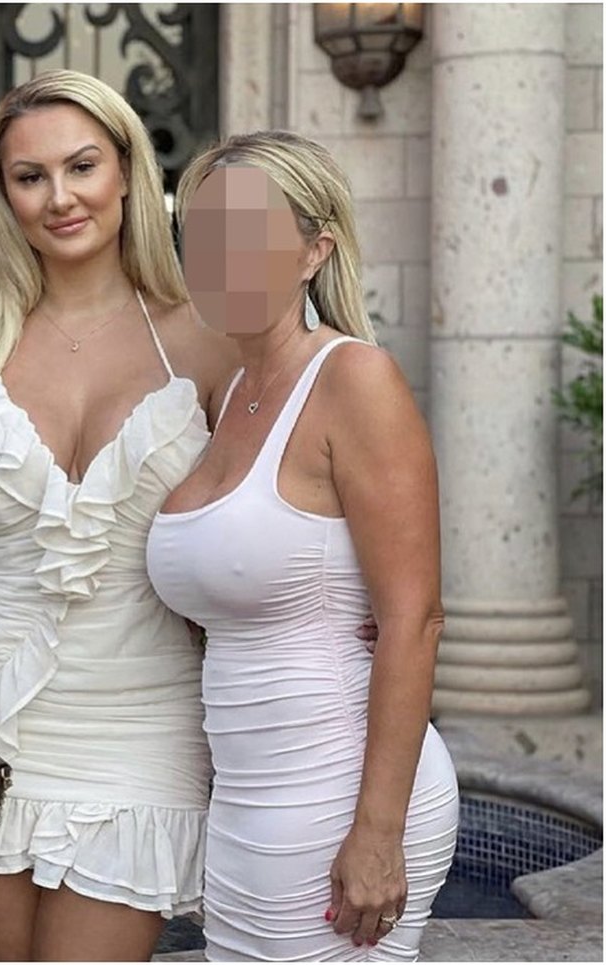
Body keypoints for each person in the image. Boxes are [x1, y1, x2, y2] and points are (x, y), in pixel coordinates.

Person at [0, 70, 239, 961]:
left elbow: (262, 513)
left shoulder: (211, 339)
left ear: (127, 172)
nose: (61, 197)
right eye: (30, 176)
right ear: (4, 196)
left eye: (82, 166)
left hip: (141, 717)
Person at [148, 130, 459, 961]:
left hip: (340, 791)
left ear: (314, 250)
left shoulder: (355, 378)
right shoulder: (231, 391)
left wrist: (378, 833)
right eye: (203, 233)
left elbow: (416, 618)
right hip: (248, 799)